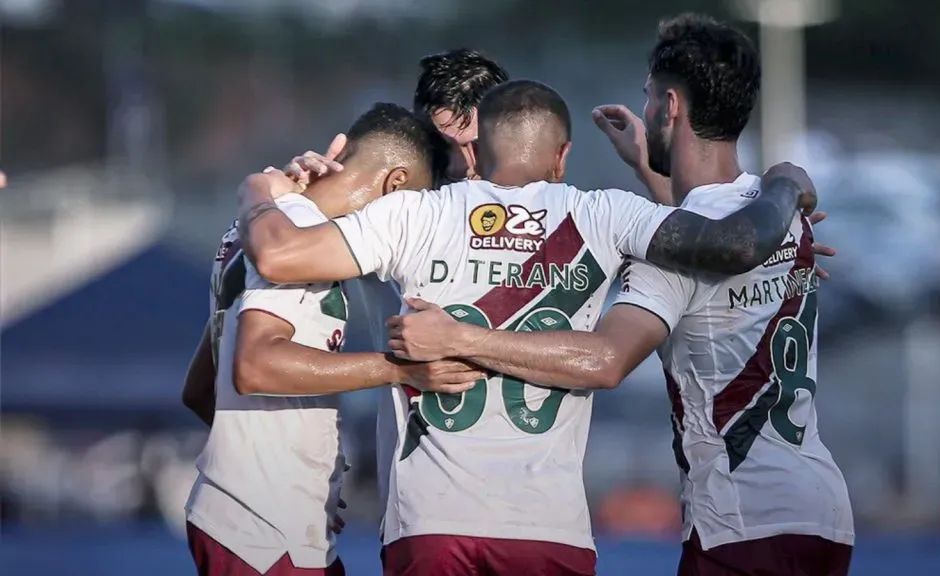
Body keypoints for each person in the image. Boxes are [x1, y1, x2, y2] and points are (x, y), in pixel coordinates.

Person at [234, 78, 817, 576]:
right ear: (561, 156)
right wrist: (785, 205)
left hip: (430, 524)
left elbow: (281, 256)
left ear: (478, 151)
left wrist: (261, 191)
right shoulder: (605, 212)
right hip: (548, 528)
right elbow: (725, 243)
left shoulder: (413, 214)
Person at [386, 14, 855, 576]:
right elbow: (707, 228)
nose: (647, 112)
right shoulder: (783, 220)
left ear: (671, 108)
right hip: (821, 509)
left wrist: (457, 338)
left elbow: (606, 359)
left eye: (649, 98)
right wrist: (664, 168)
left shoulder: (686, 250)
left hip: (742, 518)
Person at [181, 103, 484, 576]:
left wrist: (294, 473)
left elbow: (202, 389)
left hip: (250, 519)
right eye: (413, 211)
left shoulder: (257, 227)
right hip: (266, 532)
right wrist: (401, 369)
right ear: (396, 186)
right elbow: (256, 365)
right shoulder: (301, 233)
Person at [412, 48, 510, 182]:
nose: (458, 167)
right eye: (441, 147)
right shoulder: (406, 196)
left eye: (477, 147)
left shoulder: (540, 195)